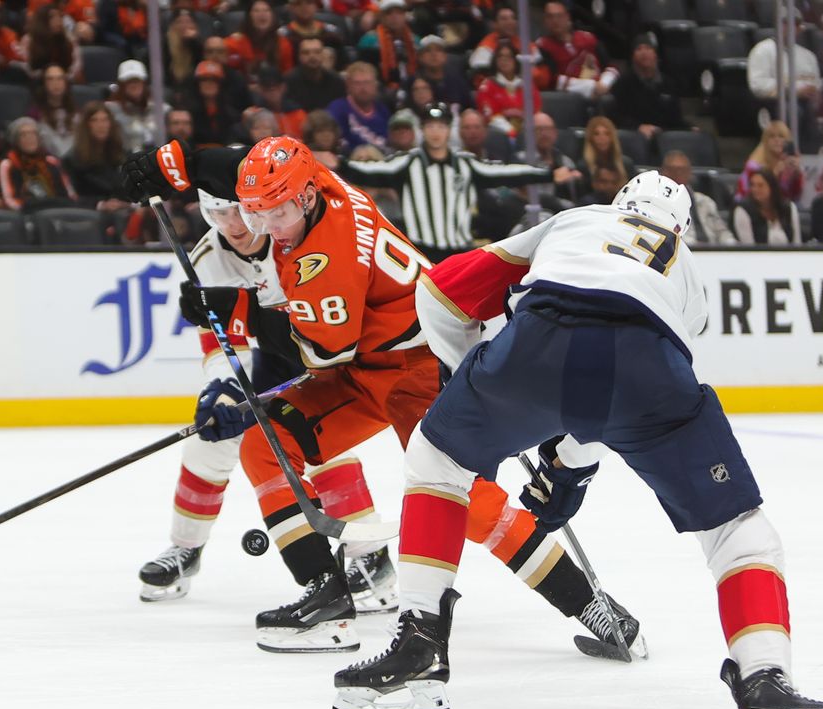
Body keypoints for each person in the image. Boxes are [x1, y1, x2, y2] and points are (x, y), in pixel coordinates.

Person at [330, 173, 823, 709]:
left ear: (618, 204)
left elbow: (440, 290)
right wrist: (569, 468)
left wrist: (472, 378)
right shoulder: (686, 269)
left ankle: (419, 649)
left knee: (435, 461)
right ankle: (766, 683)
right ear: (682, 227)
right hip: (651, 366)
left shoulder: (577, 219)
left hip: (537, 343)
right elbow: (615, 385)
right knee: (739, 530)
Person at [120, 134, 642, 654]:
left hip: (415, 366)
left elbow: (322, 353)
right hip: (367, 360)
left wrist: (236, 312)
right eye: (257, 212)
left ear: (302, 199)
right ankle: (324, 596)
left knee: (467, 499)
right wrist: (177, 163)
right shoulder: (315, 182)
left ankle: (590, 603)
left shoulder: (325, 255)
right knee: (265, 442)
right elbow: (237, 162)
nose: (264, 227)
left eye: (274, 213)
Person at [132, 145, 396, 611]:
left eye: (239, 213)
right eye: (217, 216)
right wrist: (223, 387)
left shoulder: (291, 232)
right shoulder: (207, 257)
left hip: (315, 355)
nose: (234, 227)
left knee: (319, 447)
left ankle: (368, 556)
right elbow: (218, 342)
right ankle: (185, 548)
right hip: (263, 361)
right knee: (208, 443)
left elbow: (325, 333)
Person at [340, 103, 570, 263]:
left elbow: (505, 171)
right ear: (422, 130)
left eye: (440, 126)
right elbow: (368, 170)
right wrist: (340, 164)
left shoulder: (465, 164)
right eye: (430, 126)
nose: (436, 132)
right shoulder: (408, 163)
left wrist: (547, 174)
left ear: (449, 130)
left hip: (459, 249)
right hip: (421, 249)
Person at [745, 7, 820, 150]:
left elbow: (817, 83)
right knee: (794, 110)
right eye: (786, 23)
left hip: (808, 103)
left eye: (795, 24)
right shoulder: (762, 50)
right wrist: (794, 90)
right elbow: (757, 85)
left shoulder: (808, 56)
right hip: (776, 104)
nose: (791, 28)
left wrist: (815, 91)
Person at [610, 32, 687, 141]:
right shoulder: (623, 83)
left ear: (655, 54)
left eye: (648, 48)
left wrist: (689, 128)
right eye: (639, 49)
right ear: (633, 56)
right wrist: (638, 127)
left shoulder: (668, 83)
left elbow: (676, 119)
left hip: (664, 138)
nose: (644, 52)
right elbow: (616, 117)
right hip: (634, 138)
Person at [535, 0, 616, 99]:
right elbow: (553, 80)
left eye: (559, 16)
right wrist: (591, 86)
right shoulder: (542, 45)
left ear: (567, 17)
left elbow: (611, 68)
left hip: (602, 92)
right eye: (550, 17)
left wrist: (604, 84)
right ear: (545, 20)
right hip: (570, 98)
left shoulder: (588, 38)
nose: (555, 21)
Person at [0, 116, 77, 212]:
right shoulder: (8, 165)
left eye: (33, 134)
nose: (29, 138)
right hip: (27, 214)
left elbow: (69, 194)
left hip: (57, 213)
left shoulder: (51, 161)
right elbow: (10, 200)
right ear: (16, 140)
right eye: (23, 135)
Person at [62, 100, 129, 211]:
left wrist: (127, 203)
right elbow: (72, 198)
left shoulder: (122, 154)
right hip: (90, 215)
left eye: (105, 120)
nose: (101, 125)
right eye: (94, 120)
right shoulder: (72, 159)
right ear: (86, 126)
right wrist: (101, 205)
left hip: (124, 210)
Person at [659, 150, 735, 246]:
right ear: (664, 172)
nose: (678, 174)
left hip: (713, 252)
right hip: (684, 252)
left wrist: (732, 245)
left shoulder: (705, 201)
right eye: (673, 170)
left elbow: (722, 232)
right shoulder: (660, 204)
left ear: (689, 172)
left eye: (683, 170)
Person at [475, 43, 541, 140]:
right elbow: (489, 117)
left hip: (527, 135)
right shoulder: (487, 86)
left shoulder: (527, 85)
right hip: (499, 136)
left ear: (515, 60)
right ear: (495, 61)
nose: (504, 60)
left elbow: (536, 111)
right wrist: (510, 131)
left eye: (509, 56)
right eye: (500, 56)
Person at [356, 0, 418, 100]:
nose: (395, 17)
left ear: (405, 16)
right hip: (381, 88)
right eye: (389, 13)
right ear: (381, 17)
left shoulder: (414, 40)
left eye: (399, 13)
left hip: (411, 85)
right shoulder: (369, 40)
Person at [517, 111, 583, 203]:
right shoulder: (519, 161)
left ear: (555, 133)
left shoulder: (566, 162)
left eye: (548, 129)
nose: (544, 134)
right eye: (538, 129)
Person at [107, 59, 169, 154]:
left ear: (144, 83)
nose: (134, 85)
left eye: (137, 81)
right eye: (129, 82)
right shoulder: (110, 110)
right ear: (121, 85)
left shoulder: (161, 109)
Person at [327, 61, 390, 151]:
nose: (363, 88)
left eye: (367, 82)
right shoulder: (337, 109)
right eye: (357, 83)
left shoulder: (382, 110)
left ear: (375, 85)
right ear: (348, 86)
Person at [735, 121, 803, 204]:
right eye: (772, 136)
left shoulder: (788, 162)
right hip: (751, 206)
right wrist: (775, 173)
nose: (777, 140)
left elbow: (795, 196)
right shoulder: (754, 166)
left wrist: (796, 175)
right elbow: (755, 195)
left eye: (781, 136)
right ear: (766, 141)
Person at [732, 168, 800, 245]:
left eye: (760, 185)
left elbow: (797, 243)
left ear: (772, 187)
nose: (755, 189)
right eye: (752, 185)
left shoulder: (789, 208)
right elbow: (749, 248)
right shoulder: (743, 210)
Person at [225, 0, 294, 76]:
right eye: (256, 11)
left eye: (266, 10)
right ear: (249, 16)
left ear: (273, 16)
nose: (262, 14)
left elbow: (287, 76)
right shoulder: (236, 42)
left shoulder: (283, 44)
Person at [21, 2, 81, 81]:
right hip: (36, 82)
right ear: (42, 20)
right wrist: (47, 78)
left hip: (65, 82)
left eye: (60, 16)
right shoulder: (29, 41)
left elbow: (76, 66)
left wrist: (61, 78)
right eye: (52, 17)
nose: (58, 20)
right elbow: (25, 66)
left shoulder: (69, 40)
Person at [286, 36, 348, 113]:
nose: (312, 56)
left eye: (317, 52)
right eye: (306, 53)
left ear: (323, 55)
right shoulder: (288, 82)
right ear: (299, 56)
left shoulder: (336, 81)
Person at [29, 64, 79, 158]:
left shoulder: (77, 112)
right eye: (50, 79)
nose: (56, 83)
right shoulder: (35, 113)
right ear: (44, 84)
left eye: (60, 79)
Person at [189, 60, 241, 147]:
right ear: (197, 84)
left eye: (214, 80)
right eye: (204, 80)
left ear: (220, 84)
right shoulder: (188, 112)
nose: (209, 84)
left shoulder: (231, 114)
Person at [412, 34, 470, 110]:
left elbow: (469, 106)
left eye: (438, 50)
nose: (434, 54)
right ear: (420, 57)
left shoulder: (457, 80)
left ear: (445, 56)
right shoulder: (414, 82)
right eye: (428, 50)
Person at [252, 65, 307, 141]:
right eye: (267, 86)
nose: (272, 90)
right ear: (259, 89)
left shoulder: (298, 113)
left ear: (283, 87)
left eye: (276, 85)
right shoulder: (254, 114)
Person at [280, 0, 348, 61]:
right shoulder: (283, 35)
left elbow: (344, 63)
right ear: (291, 8)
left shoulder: (332, 33)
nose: (304, 7)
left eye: (309, 2)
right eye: (298, 4)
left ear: (316, 6)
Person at [581, 115, 633, 183]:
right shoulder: (583, 166)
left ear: (612, 137)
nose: (602, 138)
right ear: (590, 138)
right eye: (596, 134)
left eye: (607, 134)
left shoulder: (626, 164)